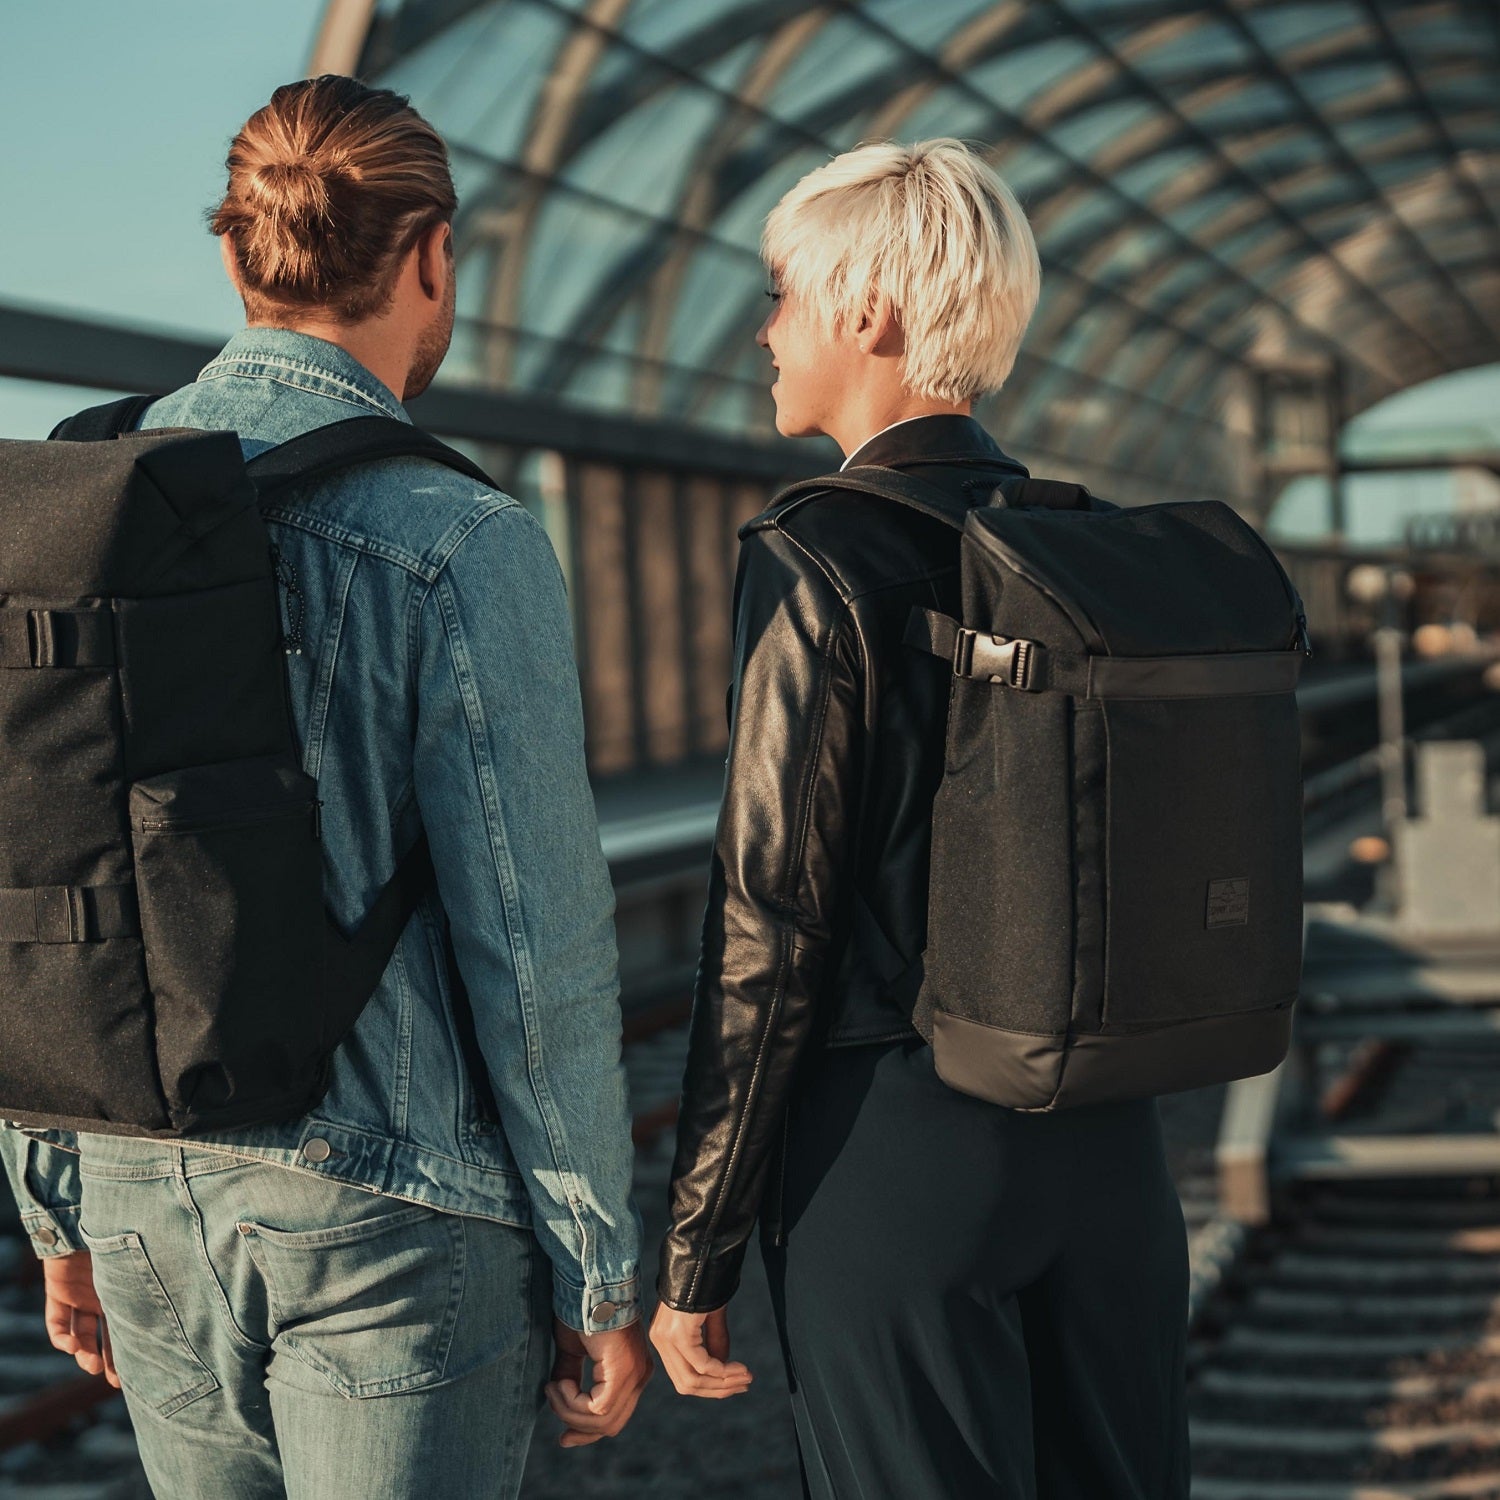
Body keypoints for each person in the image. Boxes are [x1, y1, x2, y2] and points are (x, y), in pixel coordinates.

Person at [0, 75, 649, 1498]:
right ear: (430, 257)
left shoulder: (68, 504)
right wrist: (600, 1269)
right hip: (392, 1209)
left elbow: (34, 867)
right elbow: (535, 947)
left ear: (235, 255)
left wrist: (57, 1208)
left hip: (141, 1182)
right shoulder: (459, 535)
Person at [650, 139, 1191, 1499]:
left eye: (781, 293)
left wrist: (693, 1255)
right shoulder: (1090, 544)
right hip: (1111, 1151)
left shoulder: (816, 556)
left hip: (893, 1158)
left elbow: (770, 927)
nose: (765, 331)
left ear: (869, 313)